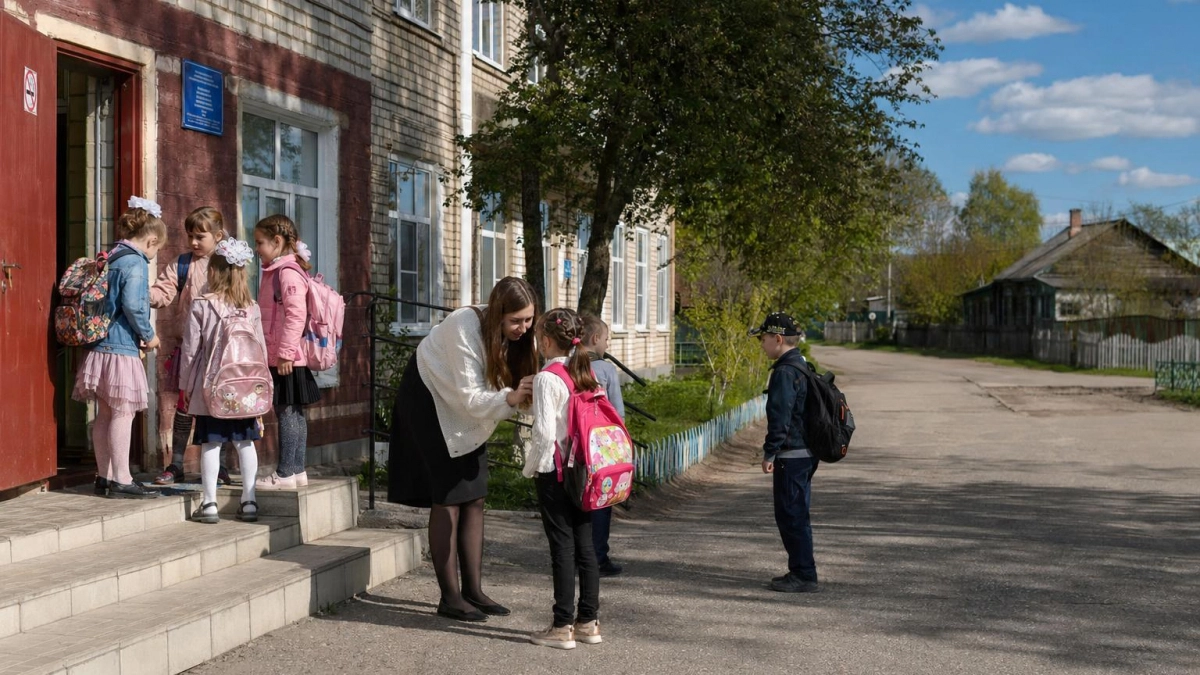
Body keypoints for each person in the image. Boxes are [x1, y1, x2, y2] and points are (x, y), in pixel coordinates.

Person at [388, 277, 538, 623]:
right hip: (429, 400)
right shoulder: (463, 324)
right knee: (449, 496)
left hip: (467, 410)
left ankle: (474, 590)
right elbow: (470, 397)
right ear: (498, 312)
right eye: (516, 320)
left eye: (529, 319)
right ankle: (450, 597)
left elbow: (516, 394)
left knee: (475, 495)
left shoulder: (521, 336)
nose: (523, 327)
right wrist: (512, 397)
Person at [73, 197, 166, 499]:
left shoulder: (111, 256)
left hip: (98, 345)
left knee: (104, 414)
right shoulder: (136, 262)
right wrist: (149, 335)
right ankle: (122, 478)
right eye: (156, 250)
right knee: (124, 413)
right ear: (151, 240)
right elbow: (134, 305)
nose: (153, 256)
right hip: (121, 346)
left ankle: (104, 476)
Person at [523, 307, 603, 650]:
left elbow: (543, 433)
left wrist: (528, 469)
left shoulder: (546, 378)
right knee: (585, 546)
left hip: (553, 471)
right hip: (583, 469)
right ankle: (588, 621)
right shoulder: (582, 371)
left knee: (561, 547)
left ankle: (560, 626)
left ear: (543, 340)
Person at [177, 239, 266, 523]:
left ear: (214, 272)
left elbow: (191, 352)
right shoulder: (251, 307)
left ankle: (210, 504)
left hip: (211, 387)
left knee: (211, 444)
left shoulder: (202, 304)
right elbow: (261, 351)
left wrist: (186, 388)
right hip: (246, 389)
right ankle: (249, 501)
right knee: (245, 444)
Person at [151, 206, 234, 486]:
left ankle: (220, 467)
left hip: (220, 351)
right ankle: (175, 464)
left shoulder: (228, 265)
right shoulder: (183, 263)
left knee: (218, 408)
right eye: (190, 237)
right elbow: (164, 291)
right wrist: (141, 291)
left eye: (200, 236)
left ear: (218, 236)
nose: (194, 243)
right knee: (184, 407)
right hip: (188, 349)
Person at [751, 312, 818, 593]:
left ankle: (803, 574)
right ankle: (801, 569)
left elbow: (780, 416)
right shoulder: (802, 364)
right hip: (807, 452)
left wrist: (770, 452)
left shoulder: (784, 372)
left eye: (764, 339)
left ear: (778, 339)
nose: (762, 344)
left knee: (791, 514)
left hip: (792, 454)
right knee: (797, 512)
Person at [253, 215, 320, 489]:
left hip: (286, 358)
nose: (257, 248)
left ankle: (284, 474)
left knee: (287, 414)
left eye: (260, 243)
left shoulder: (287, 273)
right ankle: (297, 470)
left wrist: (285, 353)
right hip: (288, 355)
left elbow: (296, 315)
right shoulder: (281, 271)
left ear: (277, 242)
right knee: (294, 414)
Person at [579, 314, 624, 577]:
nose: (606, 345)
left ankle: (578, 555)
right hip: (603, 446)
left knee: (578, 500)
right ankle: (598, 557)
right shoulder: (606, 370)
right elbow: (617, 412)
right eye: (606, 339)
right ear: (596, 339)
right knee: (601, 500)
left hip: (575, 444)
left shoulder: (567, 365)